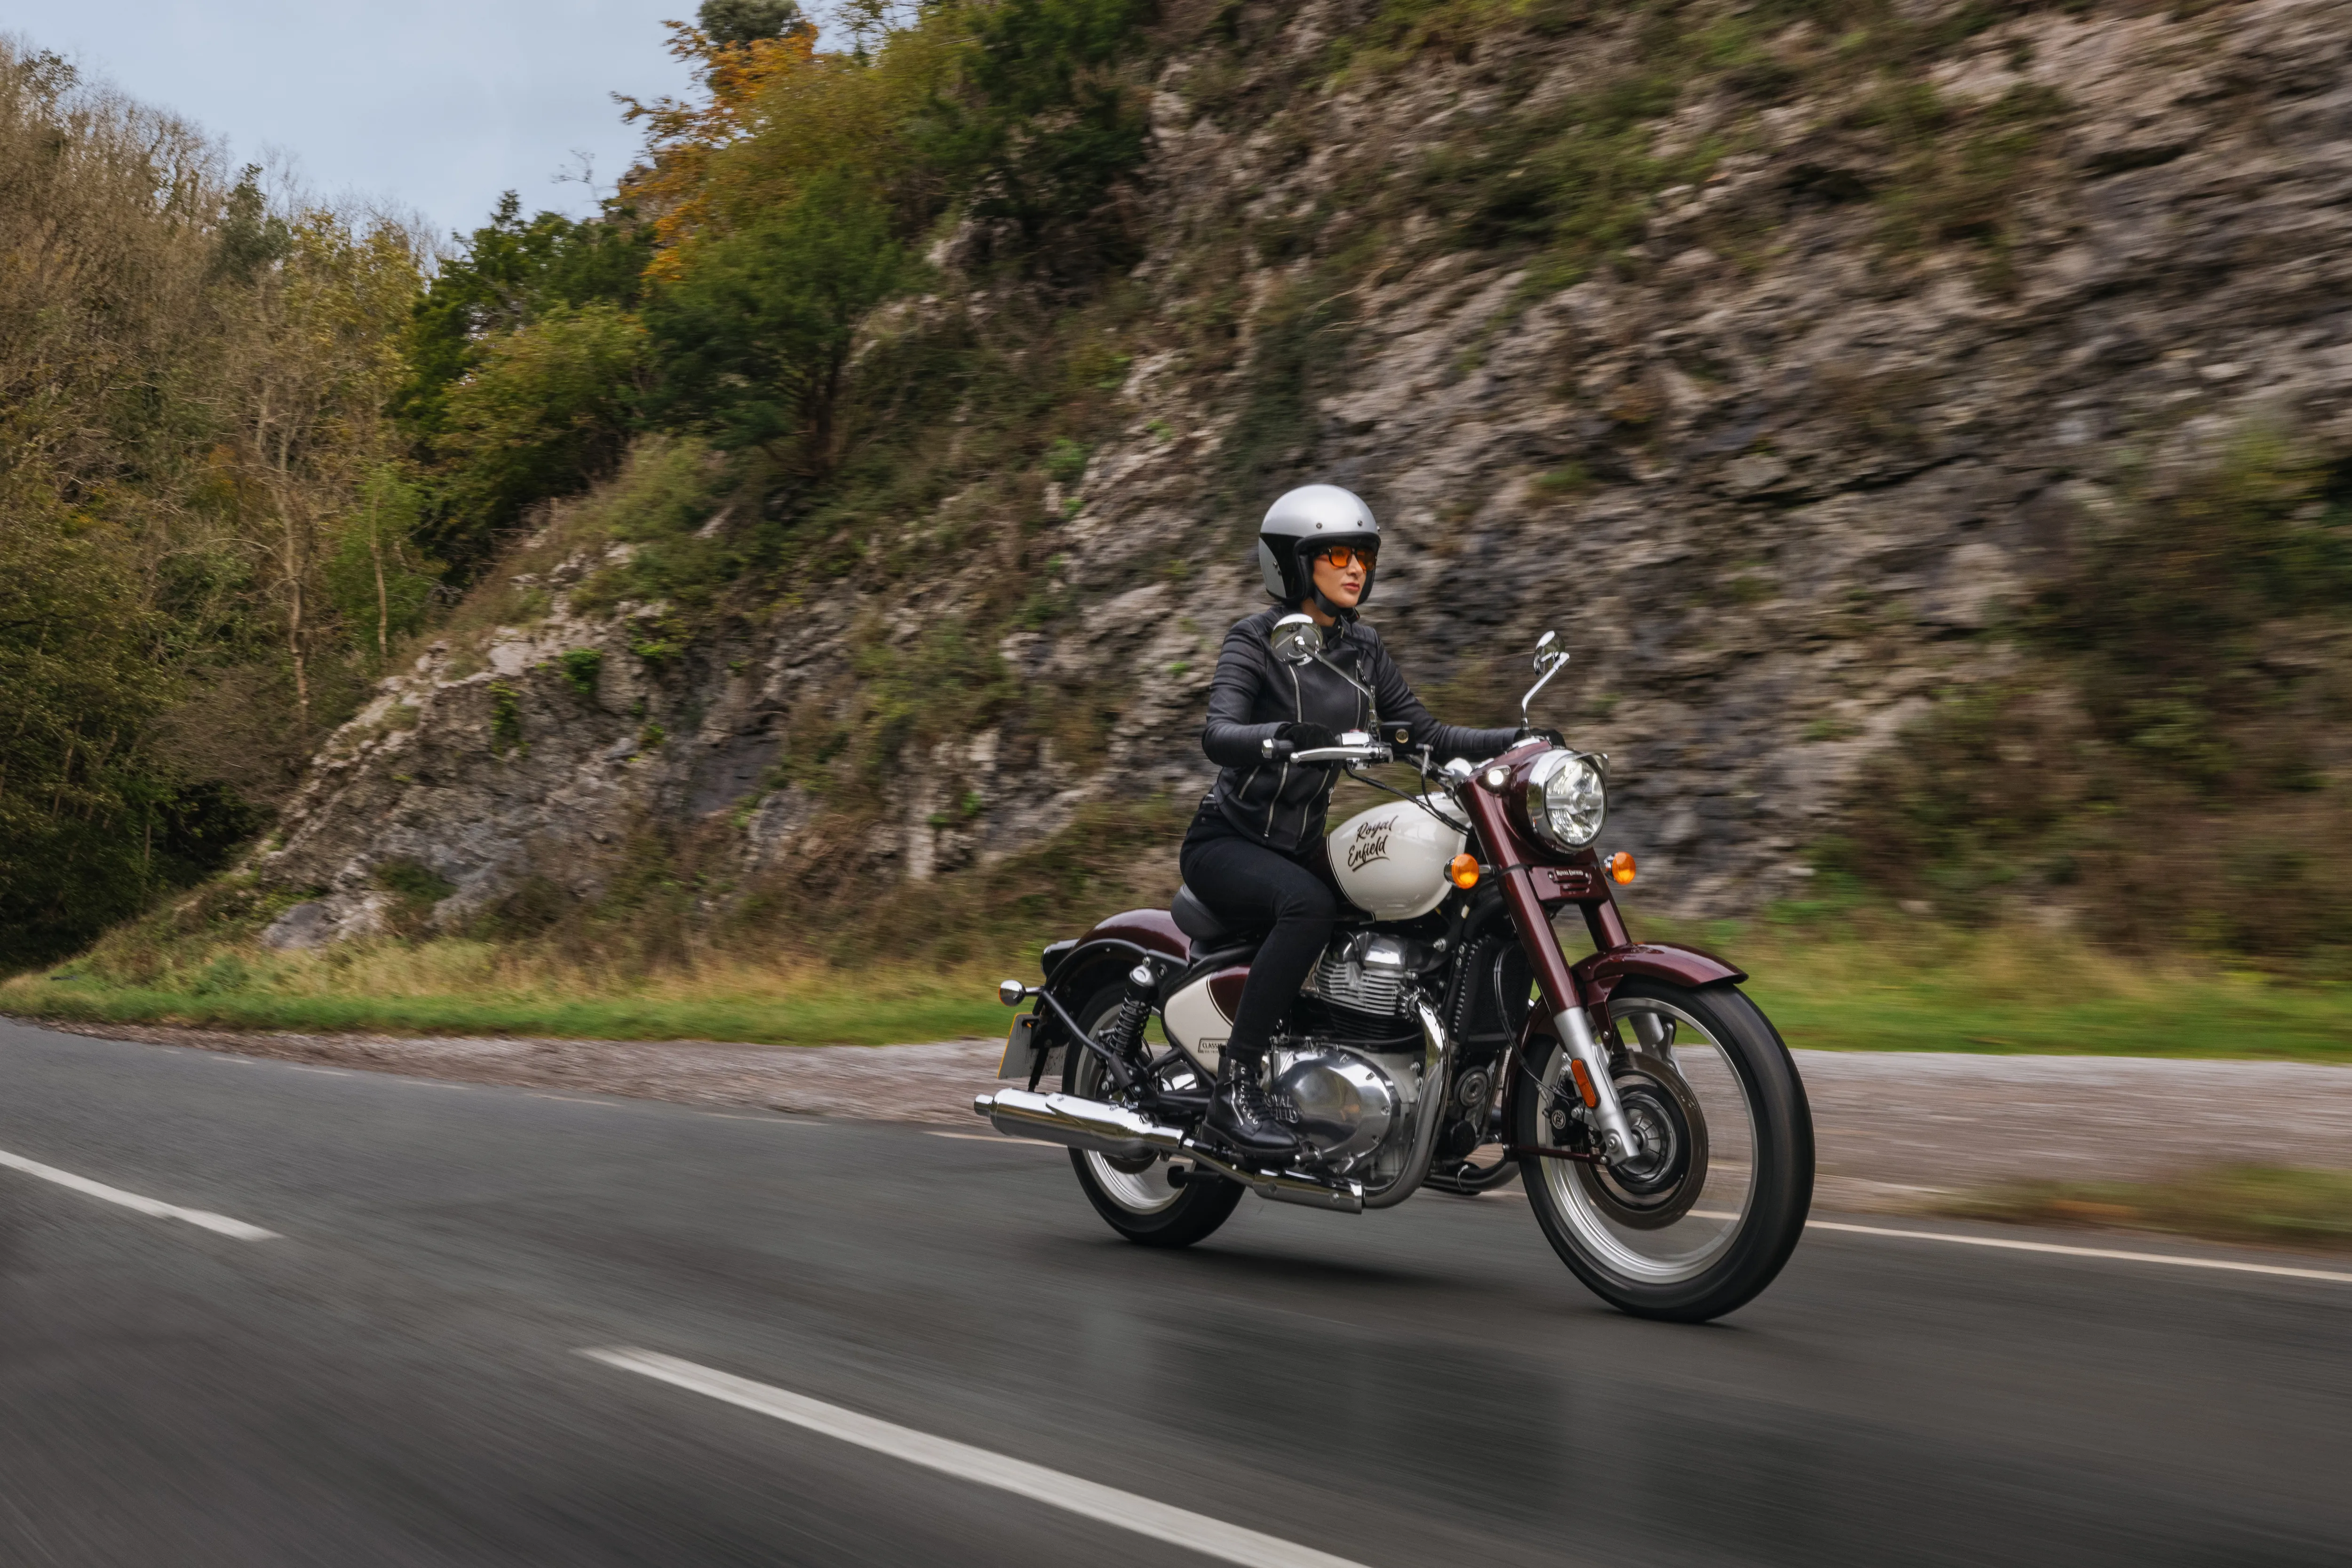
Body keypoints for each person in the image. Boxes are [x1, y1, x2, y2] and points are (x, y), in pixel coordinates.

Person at [1181, 484, 1526, 1162]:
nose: (1355, 567)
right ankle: (1236, 1092)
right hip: (1228, 842)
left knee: (1426, 908)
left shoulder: (1362, 650)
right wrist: (1279, 734)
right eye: (1336, 553)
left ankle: (1426, 1087)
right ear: (1293, 563)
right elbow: (1218, 731)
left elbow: (1422, 732)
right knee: (1306, 906)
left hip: (1300, 845)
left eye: (1363, 554)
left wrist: (1513, 740)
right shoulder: (1255, 640)